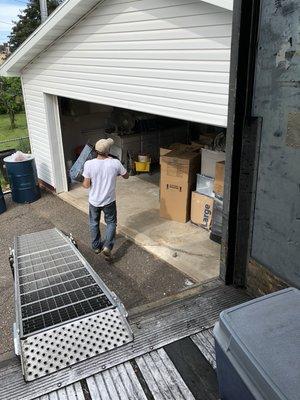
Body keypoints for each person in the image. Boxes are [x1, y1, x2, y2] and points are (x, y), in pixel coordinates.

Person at [82, 138, 129, 260]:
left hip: (94, 201)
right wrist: (115, 173)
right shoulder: (115, 163)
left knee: (94, 223)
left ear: (96, 151)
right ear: (108, 150)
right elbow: (126, 176)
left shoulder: (89, 164)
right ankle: (108, 246)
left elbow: (86, 185)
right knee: (111, 223)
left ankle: (96, 247)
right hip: (109, 201)